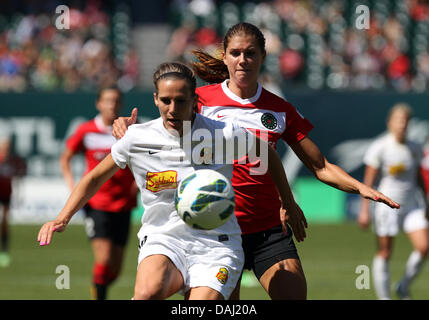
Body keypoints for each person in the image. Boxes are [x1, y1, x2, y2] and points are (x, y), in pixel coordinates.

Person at [112, 22, 400, 300]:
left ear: (262, 57)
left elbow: (320, 166)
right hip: (215, 230)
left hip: (268, 229)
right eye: (235, 53)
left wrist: (360, 187)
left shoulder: (279, 109)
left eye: (250, 53)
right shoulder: (198, 99)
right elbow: (160, 130)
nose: (243, 60)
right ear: (223, 56)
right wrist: (125, 126)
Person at [38, 62, 304, 300]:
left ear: (194, 100)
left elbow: (266, 152)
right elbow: (95, 176)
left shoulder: (222, 134)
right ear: (155, 99)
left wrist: (288, 201)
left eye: (181, 101)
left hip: (216, 244)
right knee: (147, 292)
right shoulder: (137, 137)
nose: (173, 109)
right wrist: (62, 217)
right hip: (163, 237)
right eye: (166, 100)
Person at [59, 86, 137, 300]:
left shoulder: (131, 130)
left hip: (124, 204)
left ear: (120, 104)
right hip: (97, 204)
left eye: (116, 101)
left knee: (116, 269)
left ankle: (98, 287)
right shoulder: (86, 130)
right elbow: (65, 157)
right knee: (103, 260)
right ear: (98, 104)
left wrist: (138, 184)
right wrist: (72, 184)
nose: (111, 105)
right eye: (107, 100)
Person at [358, 103, 429, 300]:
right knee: (385, 252)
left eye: (405, 121)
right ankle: (384, 298)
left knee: (424, 247)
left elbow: (418, 179)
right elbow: (368, 181)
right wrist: (364, 210)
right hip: (387, 206)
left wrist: (426, 202)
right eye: (398, 120)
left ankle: (403, 286)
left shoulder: (415, 147)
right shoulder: (380, 147)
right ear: (390, 123)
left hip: (412, 206)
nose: (402, 125)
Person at [0, 137, 26, 267]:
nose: (6, 149)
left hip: (6, 194)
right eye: (4, 147)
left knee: (4, 222)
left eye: (7, 147)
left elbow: (18, 178)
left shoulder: (13, 161)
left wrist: (19, 195)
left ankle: (4, 251)